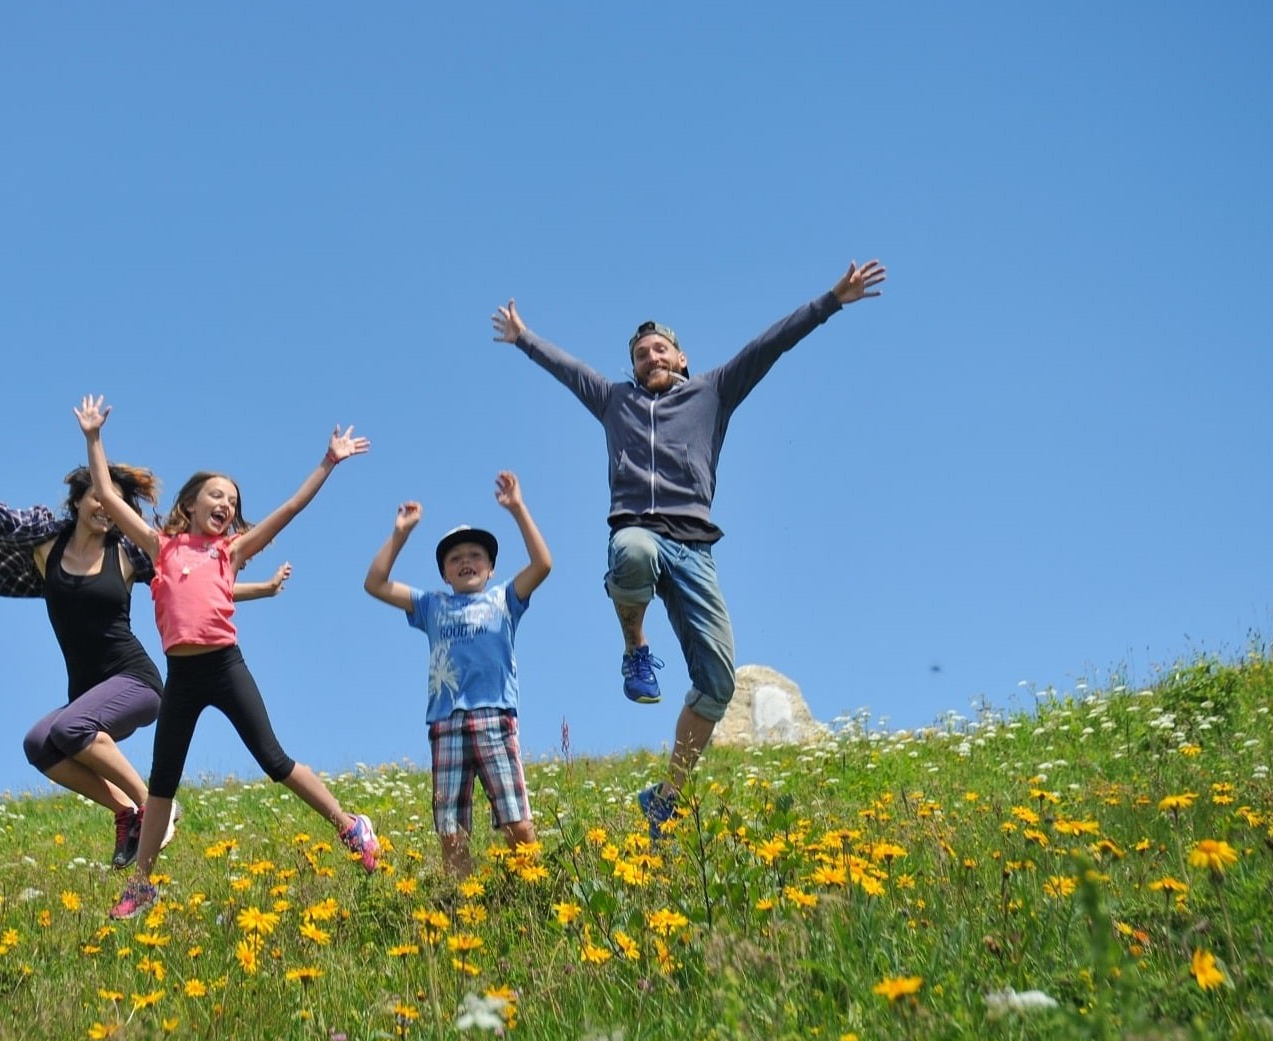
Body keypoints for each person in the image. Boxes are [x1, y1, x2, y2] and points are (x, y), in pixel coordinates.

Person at [488, 260, 888, 838]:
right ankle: (636, 649)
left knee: (720, 679)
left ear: (681, 359)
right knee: (631, 553)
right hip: (639, 532)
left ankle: (667, 794)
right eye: (640, 353)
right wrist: (524, 338)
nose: (650, 358)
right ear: (631, 367)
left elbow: (769, 345)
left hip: (695, 547)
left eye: (660, 350)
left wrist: (833, 299)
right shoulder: (613, 401)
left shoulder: (714, 392)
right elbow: (568, 369)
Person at [0, 395, 289, 870]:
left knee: (70, 727)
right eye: (99, 498)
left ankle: (154, 807)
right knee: (39, 745)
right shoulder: (45, 543)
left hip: (136, 682)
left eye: (118, 503)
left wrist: (262, 590)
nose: (107, 508)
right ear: (79, 500)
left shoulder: (130, 554)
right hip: (88, 691)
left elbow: (199, 582)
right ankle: (126, 810)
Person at [74, 395, 383, 919]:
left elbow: (288, 510)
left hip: (224, 667)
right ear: (190, 504)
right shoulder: (159, 547)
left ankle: (348, 823)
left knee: (274, 760)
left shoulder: (230, 552)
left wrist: (328, 462)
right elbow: (105, 491)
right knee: (163, 780)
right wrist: (94, 436)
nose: (226, 505)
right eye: (216, 496)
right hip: (182, 676)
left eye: (233, 501)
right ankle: (142, 886)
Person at [362, 472, 553, 877]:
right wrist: (400, 534)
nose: (466, 561)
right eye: (455, 558)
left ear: (491, 567)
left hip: (494, 717)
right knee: (451, 832)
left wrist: (517, 508)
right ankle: (461, 903)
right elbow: (375, 583)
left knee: (517, 822)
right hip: (445, 722)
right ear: (445, 574)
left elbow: (542, 564)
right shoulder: (431, 605)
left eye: (475, 555)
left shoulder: (505, 598)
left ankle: (533, 891)